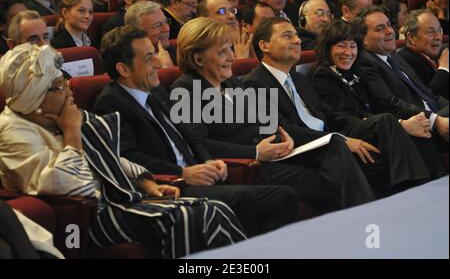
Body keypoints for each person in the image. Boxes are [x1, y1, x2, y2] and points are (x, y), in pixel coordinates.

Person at [0, 43, 247, 258]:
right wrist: (72, 133)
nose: (68, 91)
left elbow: (107, 156)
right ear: (34, 97)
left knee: (214, 208)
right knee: (185, 217)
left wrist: (146, 184)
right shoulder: (13, 131)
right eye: (58, 86)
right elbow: (69, 185)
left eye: (65, 82)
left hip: (119, 199)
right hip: (87, 217)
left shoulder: (62, 114)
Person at [92, 25, 300, 237]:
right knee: (242, 197)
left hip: (198, 174)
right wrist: (183, 173)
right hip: (169, 185)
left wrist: (208, 161)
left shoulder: (155, 92)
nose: (158, 63)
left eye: (155, 54)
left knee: (284, 196)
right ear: (124, 69)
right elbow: (129, 158)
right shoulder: (111, 102)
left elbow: (190, 137)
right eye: (148, 58)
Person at [172, 17, 375, 210]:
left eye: (230, 49)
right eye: (222, 52)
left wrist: (280, 138)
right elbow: (199, 144)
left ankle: (365, 213)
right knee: (326, 182)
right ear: (198, 58)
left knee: (334, 145)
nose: (232, 57)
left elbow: (264, 120)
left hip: (274, 155)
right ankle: (364, 215)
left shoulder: (231, 82)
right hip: (247, 166)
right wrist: (257, 152)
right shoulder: (184, 89)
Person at [310, 19, 439, 185]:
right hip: (347, 131)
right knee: (387, 120)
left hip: (369, 125)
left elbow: (377, 103)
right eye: (341, 46)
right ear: (327, 48)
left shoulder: (356, 71)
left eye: (353, 46)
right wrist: (400, 124)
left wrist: (405, 122)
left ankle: (436, 180)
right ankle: (415, 185)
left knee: (417, 124)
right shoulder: (322, 76)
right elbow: (341, 117)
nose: (348, 52)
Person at [353, 6, 449, 158]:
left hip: (434, 118)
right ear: (363, 39)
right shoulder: (365, 62)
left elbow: (427, 93)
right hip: (417, 129)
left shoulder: (395, 57)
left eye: (389, 25)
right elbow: (389, 103)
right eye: (380, 29)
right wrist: (436, 120)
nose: (390, 31)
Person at [398, 9, 449, 99]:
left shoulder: (440, 53)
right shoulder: (405, 61)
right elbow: (427, 98)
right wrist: (443, 69)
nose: (438, 37)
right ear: (412, 38)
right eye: (430, 32)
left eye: (439, 30)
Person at [124, 1, 175, 68]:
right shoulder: (133, 64)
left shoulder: (173, 52)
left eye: (166, 21)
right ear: (137, 32)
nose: (167, 29)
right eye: (157, 25)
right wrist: (166, 68)